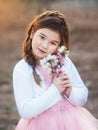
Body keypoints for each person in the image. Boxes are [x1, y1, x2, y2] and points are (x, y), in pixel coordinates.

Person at [13, 10, 98, 130]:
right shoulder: (22, 69)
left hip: (71, 122)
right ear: (32, 32)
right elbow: (26, 111)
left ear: (59, 46)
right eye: (42, 37)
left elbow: (82, 97)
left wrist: (70, 91)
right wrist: (56, 89)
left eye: (53, 43)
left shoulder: (64, 62)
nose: (44, 46)